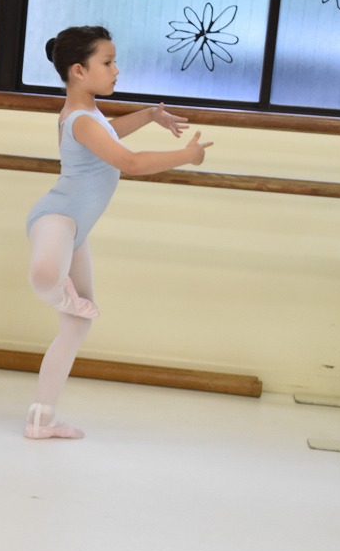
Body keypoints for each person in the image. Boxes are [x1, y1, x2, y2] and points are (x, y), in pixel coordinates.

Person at [23, 26, 212, 439]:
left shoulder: (89, 117)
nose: (116, 70)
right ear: (78, 70)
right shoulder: (80, 119)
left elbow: (110, 132)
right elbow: (130, 162)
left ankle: (42, 419)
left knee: (77, 326)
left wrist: (149, 115)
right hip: (57, 218)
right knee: (44, 276)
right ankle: (61, 293)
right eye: (107, 63)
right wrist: (187, 155)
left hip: (75, 231)